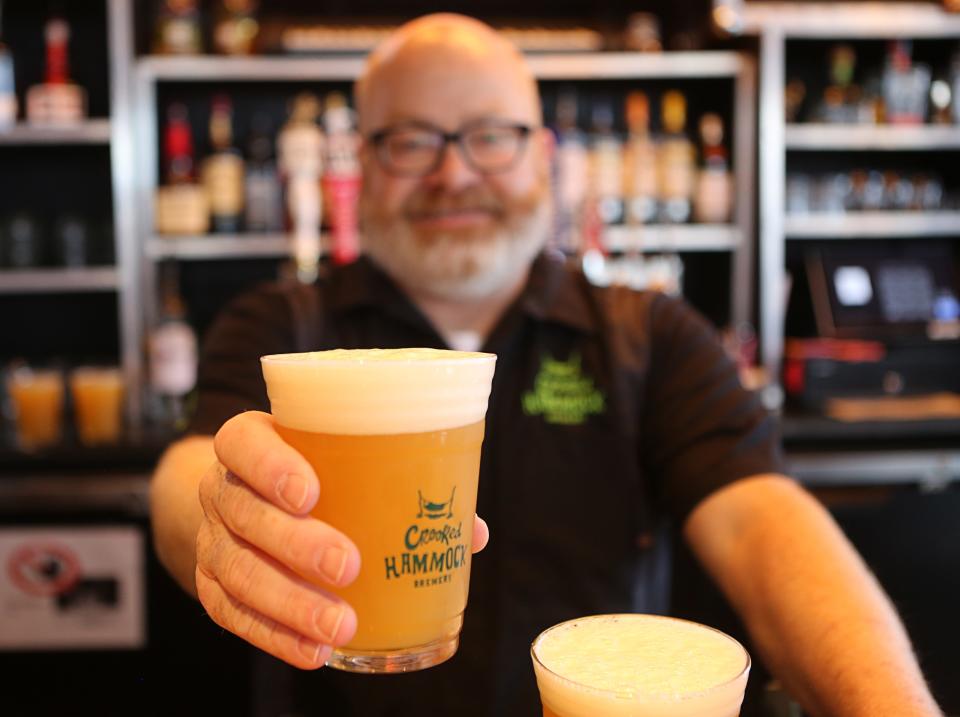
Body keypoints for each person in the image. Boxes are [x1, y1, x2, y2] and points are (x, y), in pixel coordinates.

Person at [150, 14, 944, 717]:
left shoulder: (648, 333)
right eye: (411, 139)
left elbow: (763, 524)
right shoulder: (284, 324)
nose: (454, 172)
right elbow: (189, 474)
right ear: (361, 159)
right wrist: (220, 515)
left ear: (545, 157)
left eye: (491, 135)